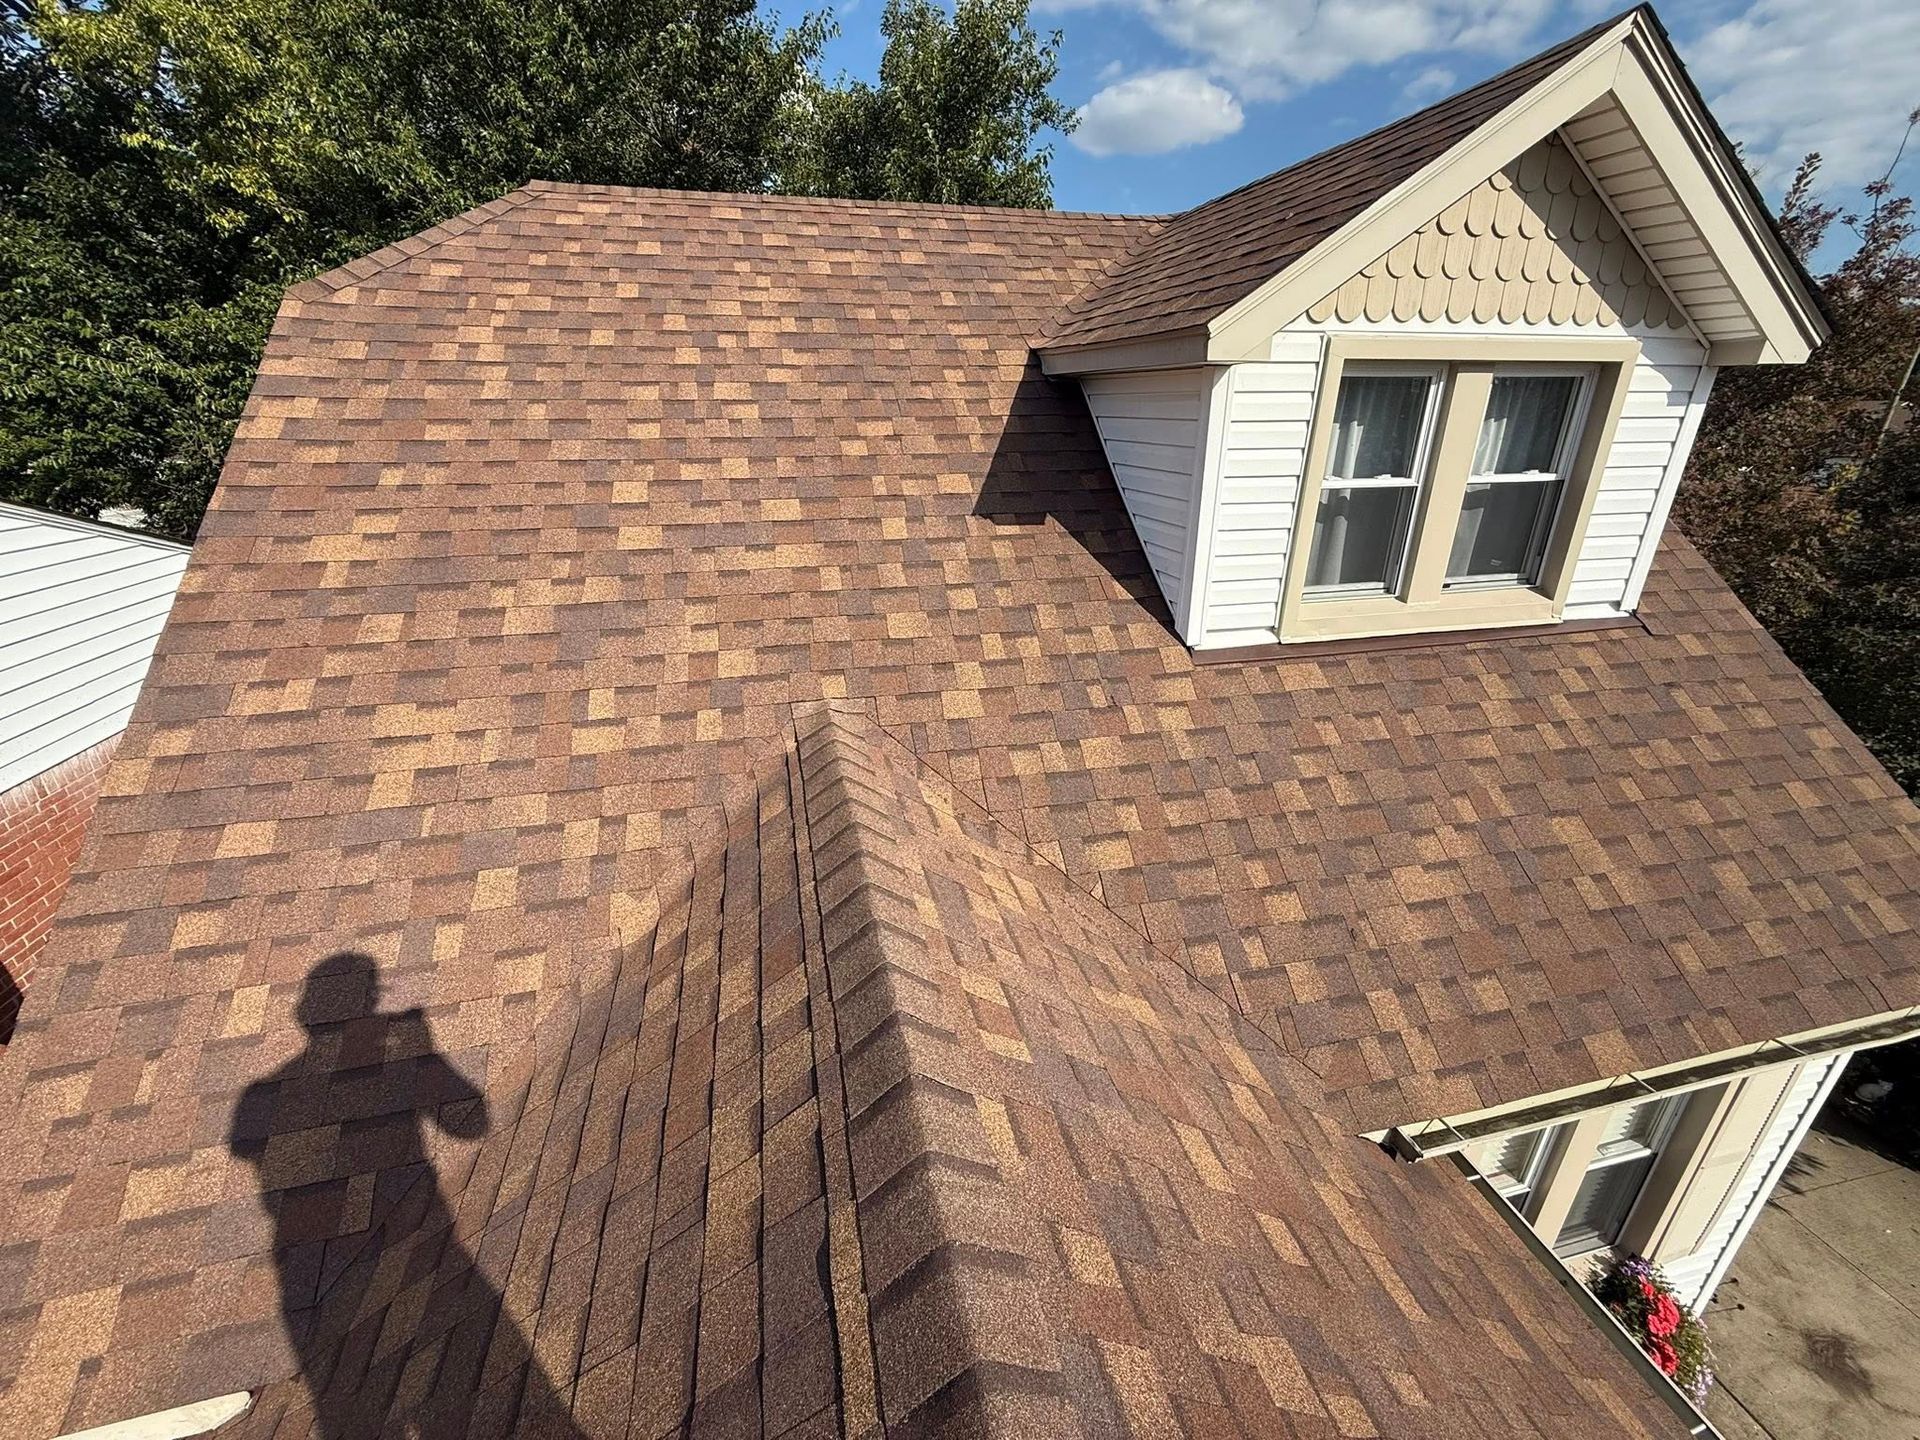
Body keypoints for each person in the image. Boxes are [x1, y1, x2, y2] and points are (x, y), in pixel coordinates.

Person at [230, 952, 585, 1439]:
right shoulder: (394, 1045)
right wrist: (420, 1049)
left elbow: (245, 1148)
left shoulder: (259, 1094)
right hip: (399, 1246)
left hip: (303, 1267)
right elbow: (469, 1122)